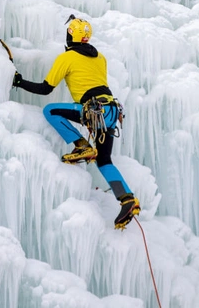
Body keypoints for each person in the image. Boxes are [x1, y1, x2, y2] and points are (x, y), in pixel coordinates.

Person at [12, 15, 140, 230]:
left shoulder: (67, 58)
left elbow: (46, 89)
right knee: (105, 161)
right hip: (110, 111)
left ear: (70, 35)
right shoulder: (100, 57)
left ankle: (81, 146)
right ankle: (127, 199)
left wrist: (19, 81)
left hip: (92, 110)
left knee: (51, 110)